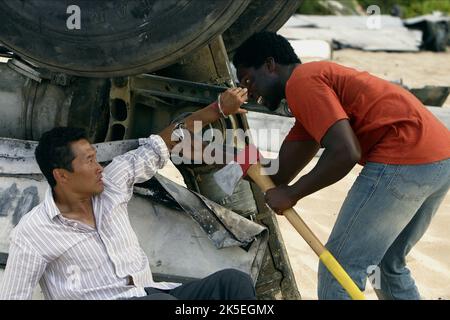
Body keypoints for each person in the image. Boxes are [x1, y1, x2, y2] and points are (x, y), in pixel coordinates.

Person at [233, 31, 450, 300]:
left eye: (248, 80)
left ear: (269, 65)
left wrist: (293, 194)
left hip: (404, 156)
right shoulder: (310, 96)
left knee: (340, 268)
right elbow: (278, 174)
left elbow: (345, 152)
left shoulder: (303, 82)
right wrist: (235, 162)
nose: (248, 92)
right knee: (386, 265)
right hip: (439, 158)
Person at [0, 88, 256, 300]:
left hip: (149, 293)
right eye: (89, 161)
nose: (99, 167)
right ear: (62, 175)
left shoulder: (112, 183)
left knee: (233, 285)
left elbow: (165, 141)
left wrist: (217, 109)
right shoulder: (33, 232)